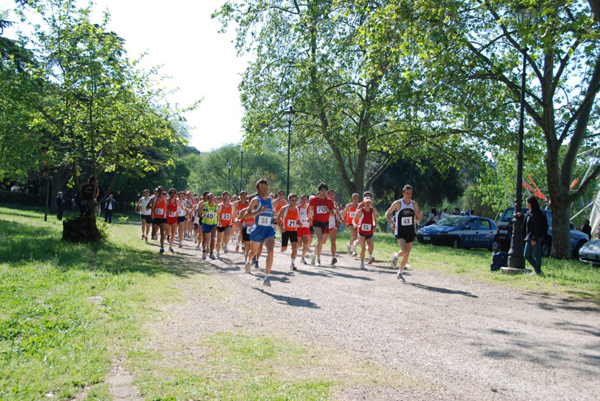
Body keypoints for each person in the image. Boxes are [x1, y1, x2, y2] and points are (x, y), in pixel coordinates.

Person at [385, 185, 423, 282]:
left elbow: (415, 219)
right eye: (407, 193)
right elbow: (387, 214)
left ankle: (400, 273)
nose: (409, 195)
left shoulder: (414, 204)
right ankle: (396, 256)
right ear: (403, 193)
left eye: (410, 193)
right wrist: (392, 223)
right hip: (400, 231)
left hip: (410, 231)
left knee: (407, 255)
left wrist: (419, 218)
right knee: (405, 251)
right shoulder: (398, 203)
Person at [244, 179, 277, 286]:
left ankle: (267, 277)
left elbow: (268, 213)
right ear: (258, 189)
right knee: (253, 252)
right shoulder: (255, 200)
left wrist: (272, 213)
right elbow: (246, 215)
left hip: (268, 229)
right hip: (258, 229)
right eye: (262, 188)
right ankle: (248, 262)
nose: (265, 189)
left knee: (271, 250)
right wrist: (260, 212)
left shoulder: (269, 200)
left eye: (266, 187)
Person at [307, 182, 336, 267]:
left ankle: (314, 255)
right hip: (316, 222)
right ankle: (318, 260)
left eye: (325, 190)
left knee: (320, 241)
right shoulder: (314, 200)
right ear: (319, 191)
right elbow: (309, 208)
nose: (323, 192)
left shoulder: (330, 202)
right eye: (322, 190)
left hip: (325, 223)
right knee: (320, 239)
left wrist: (328, 210)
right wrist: (308, 216)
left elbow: (333, 214)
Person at [521, 196, 549, 275]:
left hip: (535, 237)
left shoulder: (537, 214)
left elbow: (537, 227)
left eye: (527, 202)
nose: (526, 204)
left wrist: (535, 238)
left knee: (537, 255)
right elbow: (527, 224)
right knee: (526, 255)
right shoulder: (529, 213)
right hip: (529, 237)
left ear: (531, 203)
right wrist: (521, 216)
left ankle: (537, 271)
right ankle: (538, 270)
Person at [277, 193, 300, 270]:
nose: (294, 202)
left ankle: (292, 264)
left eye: (295, 200)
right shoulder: (284, 209)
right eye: (292, 200)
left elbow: (297, 219)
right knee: (284, 249)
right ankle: (282, 244)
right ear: (289, 200)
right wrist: (281, 227)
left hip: (293, 230)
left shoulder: (297, 209)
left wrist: (300, 223)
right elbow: (277, 218)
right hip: (285, 230)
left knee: (295, 247)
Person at [353, 197, 376, 270]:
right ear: (364, 203)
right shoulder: (361, 211)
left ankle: (369, 256)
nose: (368, 204)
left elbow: (375, 220)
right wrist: (354, 224)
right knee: (363, 248)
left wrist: (374, 225)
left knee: (371, 247)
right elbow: (354, 219)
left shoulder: (373, 211)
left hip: (370, 231)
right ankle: (362, 263)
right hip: (362, 232)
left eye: (369, 202)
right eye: (366, 202)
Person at [216, 191, 235, 258]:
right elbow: (217, 215)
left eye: (227, 196)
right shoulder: (219, 206)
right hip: (220, 224)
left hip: (228, 224)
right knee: (218, 240)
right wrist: (219, 221)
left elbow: (234, 214)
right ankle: (218, 252)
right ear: (222, 197)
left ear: (229, 197)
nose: (226, 197)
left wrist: (234, 221)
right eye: (224, 196)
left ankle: (225, 245)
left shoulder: (232, 206)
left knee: (227, 236)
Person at [200, 193, 219, 260]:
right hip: (206, 223)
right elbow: (199, 214)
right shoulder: (204, 205)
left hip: (213, 224)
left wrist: (220, 221)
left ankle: (211, 253)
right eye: (209, 198)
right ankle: (204, 251)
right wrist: (202, 215)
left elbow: (218, 214)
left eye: (212, 198)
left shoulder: (216, 206)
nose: (211, 200)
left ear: (214, 198)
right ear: (207, 199)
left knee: (213, 237)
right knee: (205, 239)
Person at [297, 194, 312, 264]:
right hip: (299, 227)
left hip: (306, 227)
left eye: (305, 199)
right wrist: (298, 222)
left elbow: (310, 217)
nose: (304, 201)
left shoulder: (308, 208)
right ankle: (297, 247)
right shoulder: (298, 208)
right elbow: (295, 217)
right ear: (301, 200)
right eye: (303, 199)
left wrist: (309, 219)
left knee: (305, 243)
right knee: (299, 244)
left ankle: (303, 258)